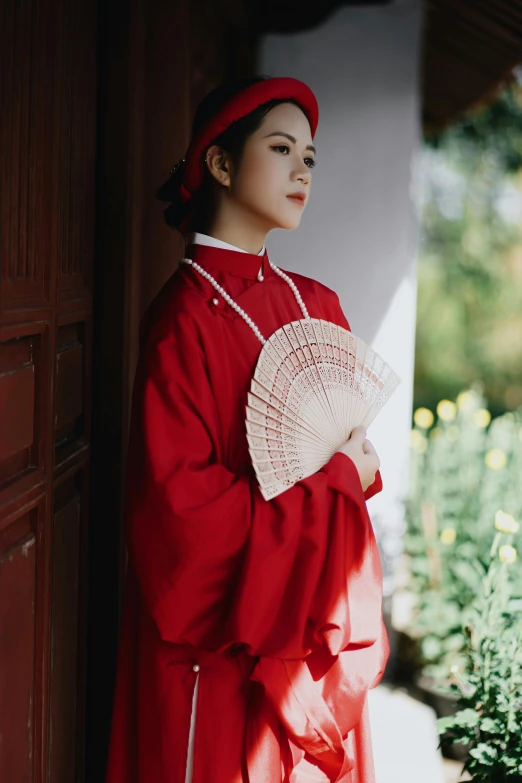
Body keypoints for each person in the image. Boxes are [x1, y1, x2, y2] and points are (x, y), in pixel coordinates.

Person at [105, 75, 389, 783]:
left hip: (302, 627)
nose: (302, 170)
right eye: (282, 147)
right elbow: (180, 517)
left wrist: (347, 480)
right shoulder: (183, 322)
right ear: (221, 164)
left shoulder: (317, 305)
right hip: (219, 645)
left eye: (311, 157)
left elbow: (356, 461)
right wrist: (333, 490)